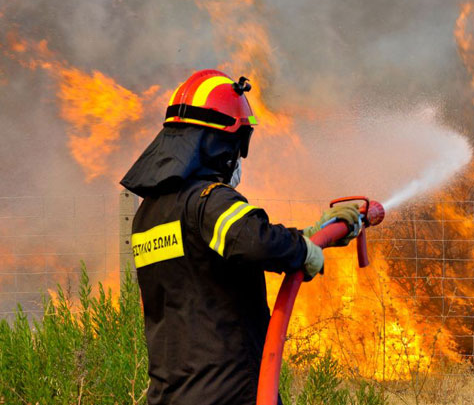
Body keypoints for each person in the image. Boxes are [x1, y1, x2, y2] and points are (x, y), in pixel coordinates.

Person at [120, 69, 360, 405]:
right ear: (219, 144)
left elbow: (216, 255)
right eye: (238, 142)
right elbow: (254, 241)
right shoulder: (208, 200)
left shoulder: (149, 214)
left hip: (171, 394)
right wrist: (302, 251)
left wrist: (308, 237)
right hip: (227, 392)